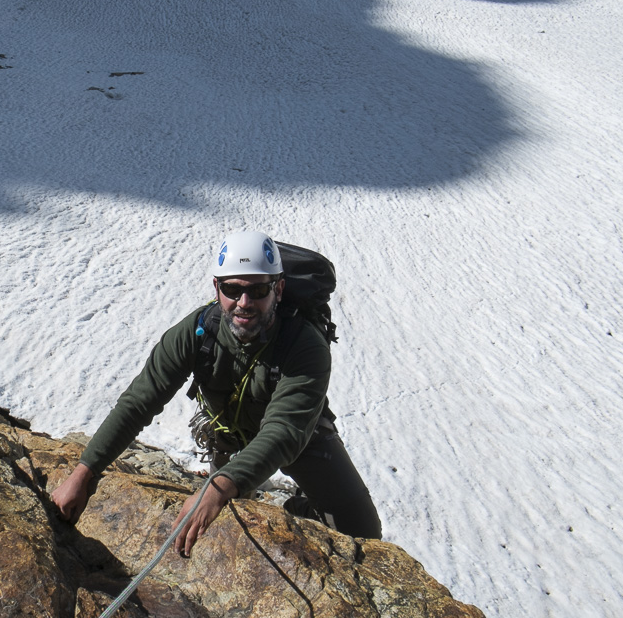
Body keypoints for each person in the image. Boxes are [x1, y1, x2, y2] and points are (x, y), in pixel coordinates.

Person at [50, 231, 381, 557]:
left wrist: (219, 486)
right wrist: (85, 472)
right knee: (230, 517)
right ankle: (244, 486)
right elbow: (140, 400)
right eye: (232, 289)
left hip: (301, 437)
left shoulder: (305, 345)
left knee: (363, 531)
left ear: (279, 290)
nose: (244, 302)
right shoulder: (197, 331)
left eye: (258, 290)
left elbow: (284, 432)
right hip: (227, 433)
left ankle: (300, 509)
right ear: (216, 288)